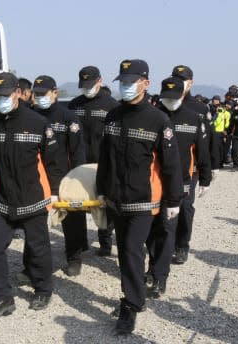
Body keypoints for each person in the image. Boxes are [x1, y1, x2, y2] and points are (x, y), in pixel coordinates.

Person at [96, 59, 182, 334]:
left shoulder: (158, 120)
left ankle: (130, 305)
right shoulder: (112, 116)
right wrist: (101, 190)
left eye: (131, 82)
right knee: (126, 251)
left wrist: (174, 200)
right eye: (122, 82)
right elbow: (105, 159)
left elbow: (171, 165)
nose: (126, 87)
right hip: (115, 199)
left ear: (146, 83)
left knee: (132, 250)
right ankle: (136, 294)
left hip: (143, 201)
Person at [0, 72, 63, 318]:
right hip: (1, 199)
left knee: (38, 249)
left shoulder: (37, 123)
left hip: (33, 197)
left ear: (16, 93)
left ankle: (43, 289)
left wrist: (55, 192)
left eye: (4, 95)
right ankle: (2, 298)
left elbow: (53, 161)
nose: (0, 100)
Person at [146, 76, 211, 297]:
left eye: (175, 97)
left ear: (182, 95)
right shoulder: (152, 117)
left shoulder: (193, 118)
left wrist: (205, 178)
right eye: (167, 97)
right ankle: (152, 267)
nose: (171, 101)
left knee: (167, 228)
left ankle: (159, 277)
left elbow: (202, 151)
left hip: (180, 182)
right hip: (153, 181)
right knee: (151, 231)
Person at [33, 75, 87, 276]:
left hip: (65, 178)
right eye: (36, 94)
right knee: (35, 222)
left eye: (43, 93)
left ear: (55, 93)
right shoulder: (30, 115)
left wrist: (78, 178)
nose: (40, 97)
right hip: (37, 178)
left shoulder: (68, 117)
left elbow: (77, 151)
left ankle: (74, 258)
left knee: (72, 220)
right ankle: (31, 263)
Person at [67, 66, 119, 256]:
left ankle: (105, 241)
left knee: (104, 204)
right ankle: (79, 244)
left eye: (91, 84)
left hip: (102, 164)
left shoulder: (112, 105)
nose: (87, 89)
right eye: (84, 85)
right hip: (78, 164)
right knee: (76, 205)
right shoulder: (74, 105)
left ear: (100, 81)